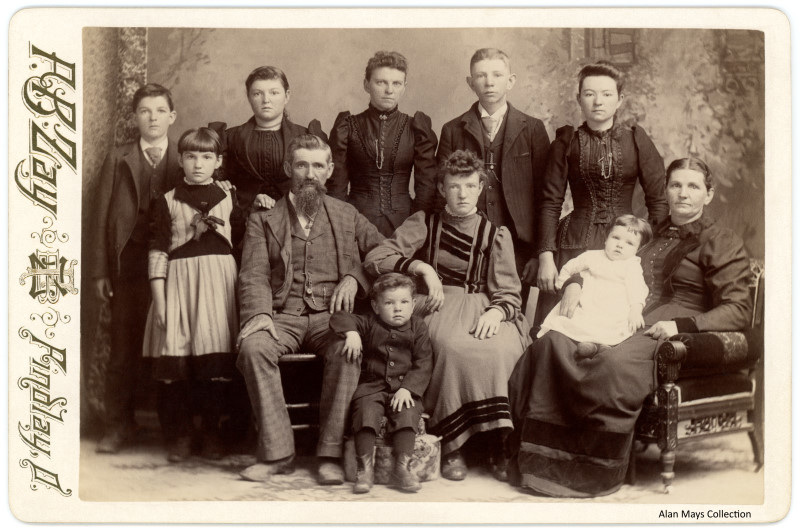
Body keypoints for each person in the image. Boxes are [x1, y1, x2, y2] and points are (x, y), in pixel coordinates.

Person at [508, 157, 752, 497]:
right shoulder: (651, 234)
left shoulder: (721, 241)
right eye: (676, 185)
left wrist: (679, 324)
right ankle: (535, 460)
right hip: (620, 318)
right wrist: (575, 282)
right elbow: (606, 262)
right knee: (550, 345)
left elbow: (738, 310)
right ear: (666, 190)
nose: (683, 193)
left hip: (672, 327)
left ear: (708, 195)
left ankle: (587, 469)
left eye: (693, 186)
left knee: (610, 364)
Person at [364, 149, 530, 482]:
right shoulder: (425, 223)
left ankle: (497, 443)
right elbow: (376, 258)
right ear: (442, 189)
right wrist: (420, 266)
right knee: (451, 348)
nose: (463, 194)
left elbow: (509, 291)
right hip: (438, 304)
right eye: (454, 186)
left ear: (481, 187)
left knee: (502, 349)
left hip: (483, 305)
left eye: (470, 185)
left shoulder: (495, 234)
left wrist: (497, 312)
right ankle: (453, 445)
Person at [236, 134, 384, 485]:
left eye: (318, 165)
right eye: (302, 164)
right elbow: (253, 273)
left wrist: (356, 277)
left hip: (330, 317)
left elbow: (383, 252)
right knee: (253, 349)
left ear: (330, 170)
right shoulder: (264, 218)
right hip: (281, 314)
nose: (309, 173)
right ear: (289, 168)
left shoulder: (347, 214)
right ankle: (277, 453)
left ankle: (329, 453)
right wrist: (260, 315)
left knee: (347, 351)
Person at [534, 60, 669, 329]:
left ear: (620, 100)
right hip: (574, 245)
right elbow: (550, 203)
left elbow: (658, 202)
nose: (598, 101)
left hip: (626, 245)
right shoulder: (567, 142)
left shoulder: (636, 140)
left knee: (616, 325)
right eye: (589, 94)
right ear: (579, 99)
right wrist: (545, 256)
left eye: (607, 94)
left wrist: (648, 249)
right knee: (564, 325)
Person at [90, 83, 184, 454]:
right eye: (145, 111)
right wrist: (100, 271)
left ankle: (174, 431)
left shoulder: (186, 156)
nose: (153, 118)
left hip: (174, 265)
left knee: (171, 347)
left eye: (160, 111)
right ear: (135, 118)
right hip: (128, 265)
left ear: (172, 116)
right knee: (123, 347)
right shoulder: (119, 158)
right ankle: (118, 425)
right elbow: (100, 219)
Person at [142, 127, 242, 462]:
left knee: (214, 363)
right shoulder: (167, 200)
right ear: (181, 159)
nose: (198, 164)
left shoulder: (229, 197)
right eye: (190, 156)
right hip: (179, 286)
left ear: (218, 161)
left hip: (220, 286)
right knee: (177, 361)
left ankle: (212, 431)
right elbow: (157, 249)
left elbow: (242, 244)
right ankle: (180, 434)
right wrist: (160, 300)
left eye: (206, 157)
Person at [436, 48, 550, 290]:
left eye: (497, 75)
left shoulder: (533, 129)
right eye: (481, 76)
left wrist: (537, 253)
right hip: (467, 243)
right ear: (470, 83)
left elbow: (545, 196)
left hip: (520, 247)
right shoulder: (452, 130)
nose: (489, 82)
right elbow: (442, 193)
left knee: (511, 310)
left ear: (511, 81)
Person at [329, 273, 433, 494]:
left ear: (413, 304)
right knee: (365, 412)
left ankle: (402, 469)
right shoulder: (369, 322)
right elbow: (338, 316)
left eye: (404, 302)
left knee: (408, 413)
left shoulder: (418, 327)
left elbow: (424, 362)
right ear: (376, 306)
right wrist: (351, 333)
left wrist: (408, 389)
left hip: (405, 389)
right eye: (389, 303)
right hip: (372, 387)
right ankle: (364, 470)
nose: (398, 308)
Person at [328, 51, 438, 236]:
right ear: (366, 85)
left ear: (404, 87)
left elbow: (426, 186)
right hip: (354, 222)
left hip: (405, 224)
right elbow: (336, 186)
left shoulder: (416, 128)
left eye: (396, 83)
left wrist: (416, 226)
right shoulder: (347, 127)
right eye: (381, 82)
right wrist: (342, 224)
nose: (389, 90)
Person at [209, 66, 327, 223]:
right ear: (249, 97)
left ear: (287, 96)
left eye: (274, 92)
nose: (266, 100)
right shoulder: (229, 137)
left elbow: (323, 184)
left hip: (296, 219)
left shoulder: (307, 136)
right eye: (258, 93)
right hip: (243, 221)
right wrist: (224, 186)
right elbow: (212, 183)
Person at [537, 214, 652, 358]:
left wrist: (636, 309)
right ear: (606, 239)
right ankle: (588, 344)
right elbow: (568, 268)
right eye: (615, 238)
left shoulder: (632, 266)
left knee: (613, 325)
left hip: (613, 307)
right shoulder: (591, 256)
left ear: (638, 249)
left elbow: (637, 289)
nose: (620, 245)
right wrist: (564, 285)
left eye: (629, 243)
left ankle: (601, 345)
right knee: (576, 319)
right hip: (589, 302)